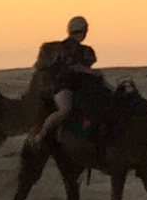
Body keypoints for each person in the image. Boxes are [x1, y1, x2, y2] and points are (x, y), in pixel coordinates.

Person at [27, 16, 98, 154]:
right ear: (83, 31)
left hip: (78, 85)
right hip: (62, 85)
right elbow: (73, 66)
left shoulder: (83, 49)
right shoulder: (65, 48)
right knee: (65, 109)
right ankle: (41, 135)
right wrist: (90, 72)